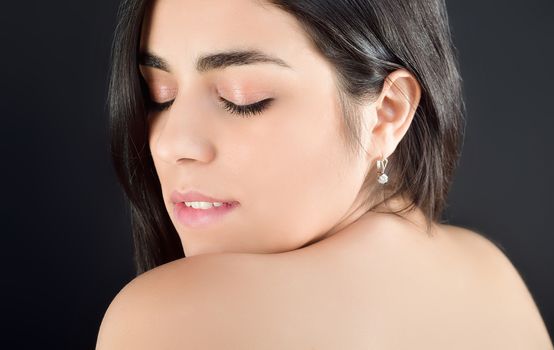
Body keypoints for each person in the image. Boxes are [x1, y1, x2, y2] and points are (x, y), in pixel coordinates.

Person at [95, 0, 553, 348]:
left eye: (243, 97)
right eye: (159, 94)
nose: (171, 143)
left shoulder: (169, 317)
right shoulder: (491, 271)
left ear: (387, 112)